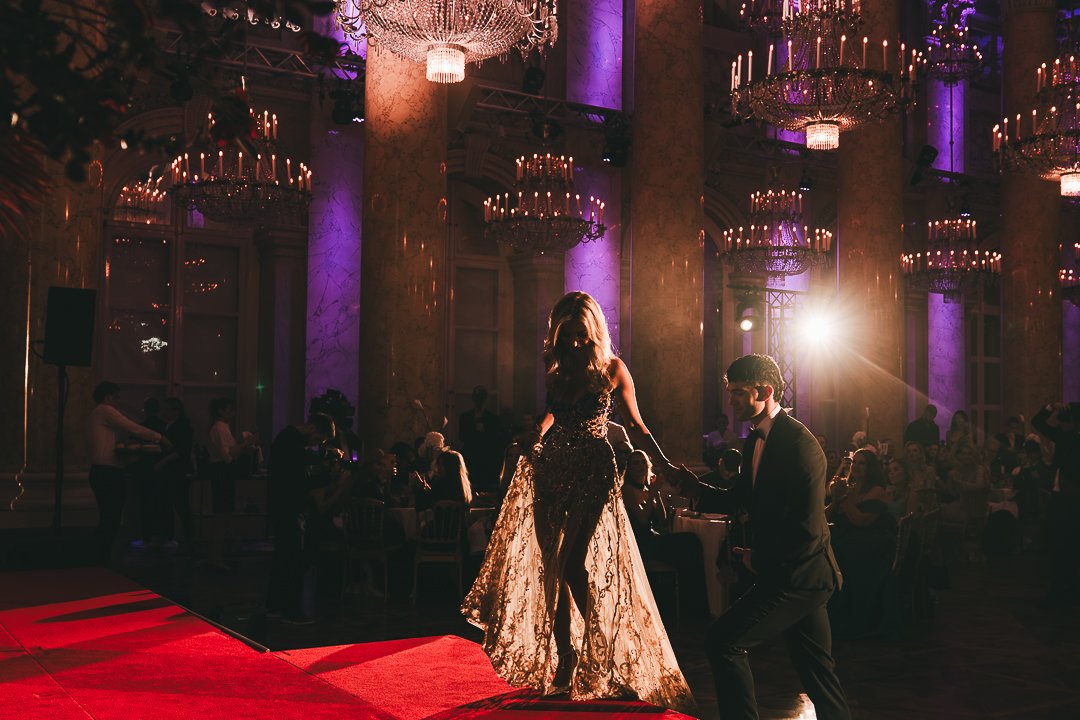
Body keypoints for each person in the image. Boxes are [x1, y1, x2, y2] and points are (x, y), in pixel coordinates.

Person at [462, 291, 693, 711]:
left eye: (577, 336)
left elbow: (636, 426)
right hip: (551, 467)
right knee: (552, 566)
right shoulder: (557, 371)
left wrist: (664, 463)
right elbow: (553, 413)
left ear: (593, 331)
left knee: (572, 562)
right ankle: (566, 662)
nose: (570, 344)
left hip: (592, 466)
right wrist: (538, 432)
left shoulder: (612, 369)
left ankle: (606, 648)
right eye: (563, 336)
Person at [680, 354, 850, 720]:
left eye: (738, 393)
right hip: (796, 574)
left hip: (801, 576)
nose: (731, 401)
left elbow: (805, 528)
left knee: (722, 641)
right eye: (730, 393)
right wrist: (694, 488)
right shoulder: (754, 440)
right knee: (818, 675)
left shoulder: (799, 445)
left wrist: (760, 558)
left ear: (766, 391)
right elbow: (742, 498)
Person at [86, 382, 170, 566]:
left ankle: (100, 560)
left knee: (108, 517)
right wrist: (160, 438)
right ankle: (101, 561)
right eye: (116, 397)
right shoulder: (105, 410)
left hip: (101, 471)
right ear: (108, 397)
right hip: (107, 473)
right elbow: (131, 427)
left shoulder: (96, 413)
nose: (118, 401)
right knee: (112, 518)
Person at [266, 413, 336, 623]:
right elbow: (299, 479)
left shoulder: (286, 439)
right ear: (313, 428)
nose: (315, 444)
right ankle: (291, 610)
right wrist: (325, 473)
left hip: (280, 506)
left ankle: (275, 606)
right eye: (318, 440)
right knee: (292, 559)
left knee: (282, 558)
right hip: (288, 507)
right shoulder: (292, 444)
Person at [205, 397, 256, 571]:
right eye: (229, 410)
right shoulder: (219, 429)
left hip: (222, 472)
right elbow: (228, 455)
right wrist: (246, 444)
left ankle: (216, 555)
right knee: (221, 515)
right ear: (221, 411)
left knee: (223, 514)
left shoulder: (221, 428)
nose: (232, 413)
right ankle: (215, 556)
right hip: (222, 473)